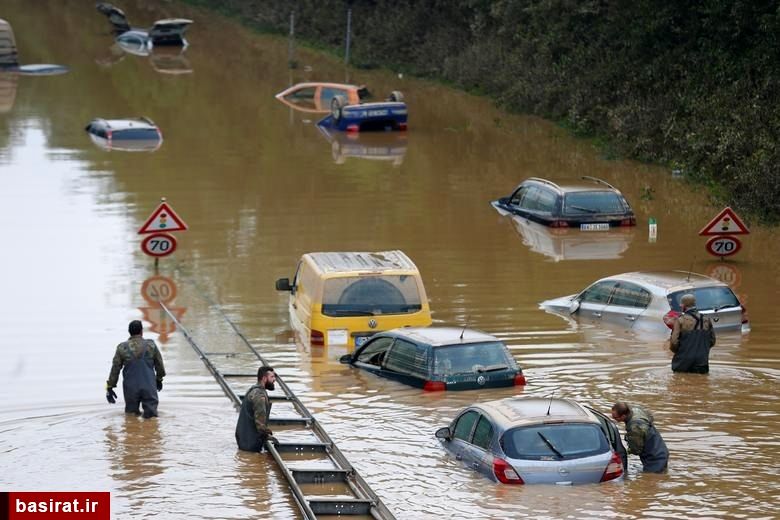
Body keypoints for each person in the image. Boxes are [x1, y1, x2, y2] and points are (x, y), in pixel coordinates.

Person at [106, 320, 166, 418]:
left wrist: (110, 387)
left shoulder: (122, 348)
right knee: (151, 418)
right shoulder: (151, 345)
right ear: (142, 331)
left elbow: (115, 369)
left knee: (131, 417)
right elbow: (160, 366)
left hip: (130, 389)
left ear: (129, 332)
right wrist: (159, 379)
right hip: (149, 387)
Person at [611, 402, 668, 473]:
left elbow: (636, 450)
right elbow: (650, 417)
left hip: (654, 458)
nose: (613, 418)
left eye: (615, 417)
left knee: (651, 479)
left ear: (623, 416)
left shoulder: (634, 427)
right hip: (660, 448)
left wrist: (626, 452)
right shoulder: (636, 410)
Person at [669, 293, 716, 373]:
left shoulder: (680, 320)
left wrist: (682, 352)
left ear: (683, 306)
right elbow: (712, 341)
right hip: (702, 362)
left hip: (682, 362)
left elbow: (673, 342)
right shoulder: (706, 319)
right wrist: (700, 350)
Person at [236, 366, 278, 452]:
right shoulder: (259, 395)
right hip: (250, 443)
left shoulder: (254, 390)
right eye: (272, 377)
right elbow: (260, 423)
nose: (274, 380)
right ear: (264, 378)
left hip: (244, 439)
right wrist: (268, 435)